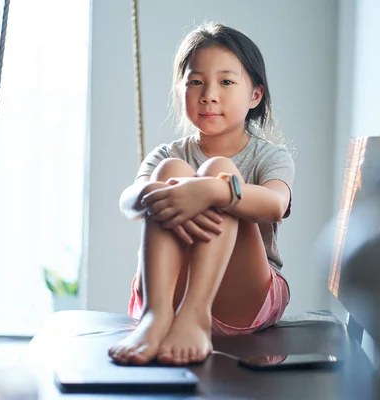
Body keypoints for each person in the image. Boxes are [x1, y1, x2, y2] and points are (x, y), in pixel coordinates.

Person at [108, 21, 295, 366]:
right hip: (169, 292)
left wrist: (216, 190)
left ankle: (195, 314)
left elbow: (274, 204)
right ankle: (156, 315)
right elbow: (128, 202)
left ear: (255, 94)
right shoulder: (170, 154)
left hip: (243, 296)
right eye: (196, 82)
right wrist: (156, 193)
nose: (209, 94)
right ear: (180, 91)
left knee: (219, 170)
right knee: (171, 174)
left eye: (226, 82)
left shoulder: (270, 156)